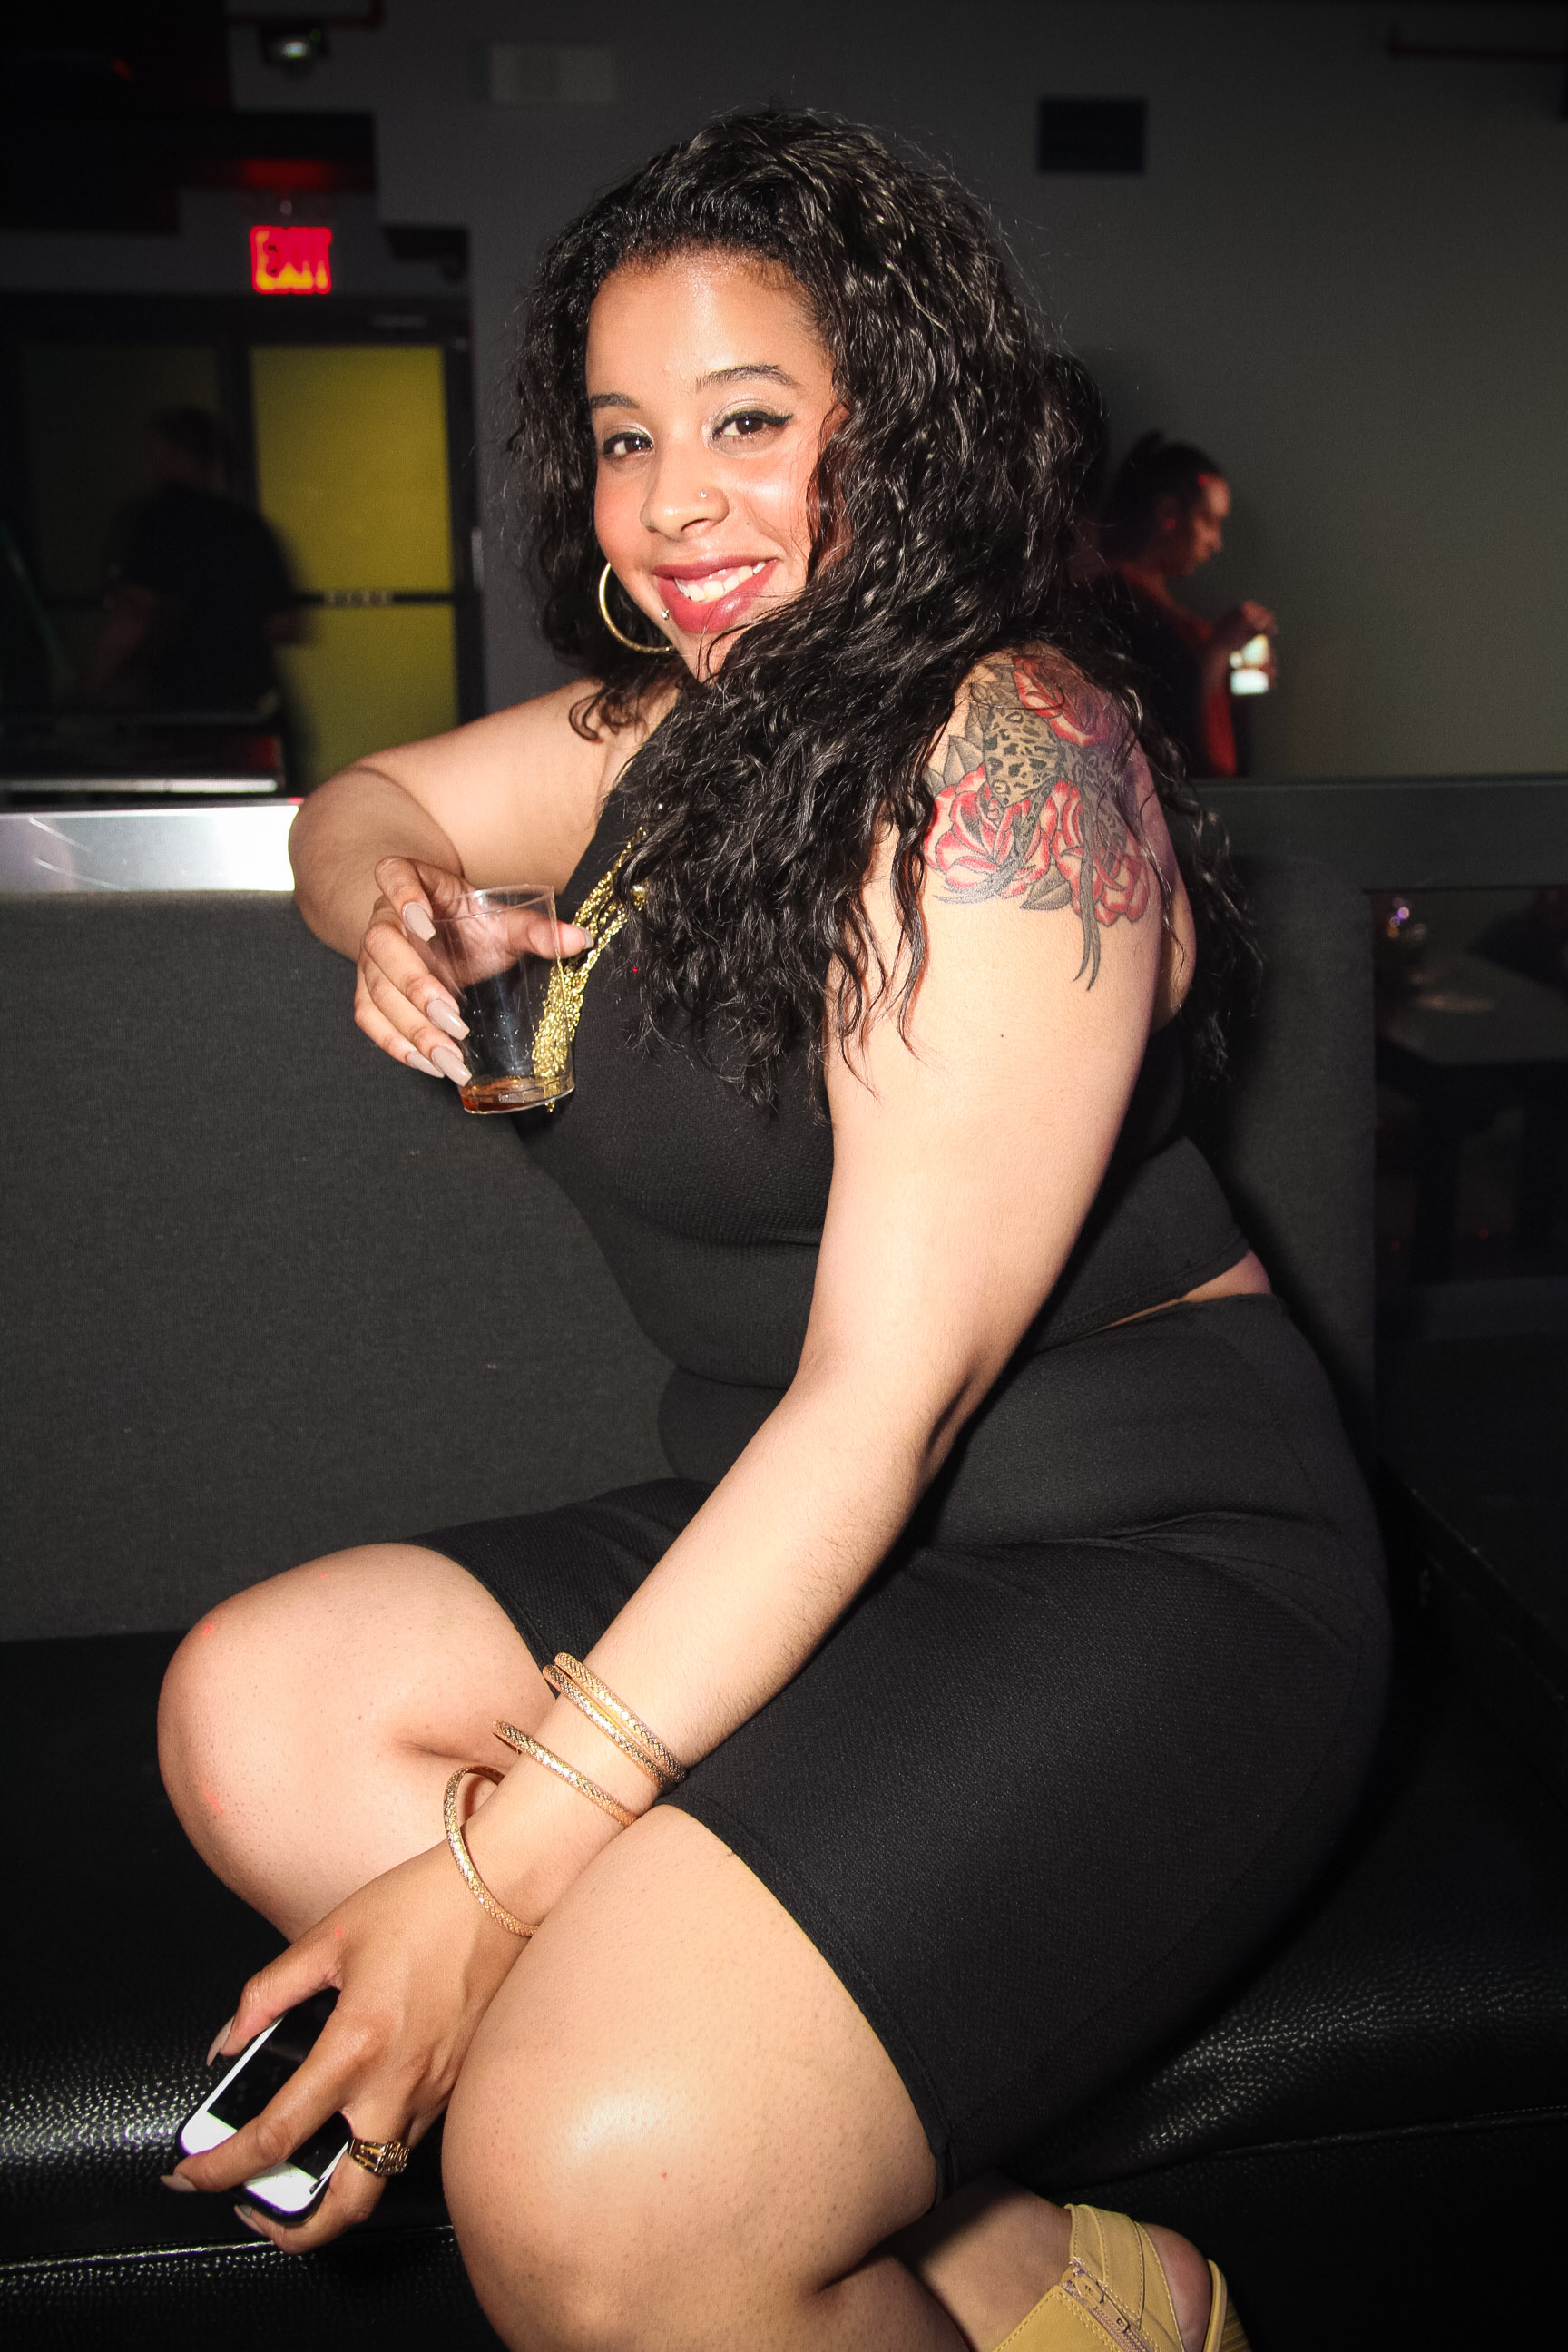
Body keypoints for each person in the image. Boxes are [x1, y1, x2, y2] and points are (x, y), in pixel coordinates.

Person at [155, 113, 1387, 2352]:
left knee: (589, 2180)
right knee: (265, 1712)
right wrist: (392, 904)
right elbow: (365, 803)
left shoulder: (1008, 759)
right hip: (799, 1522)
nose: (669, 503)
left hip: (1123, 1558)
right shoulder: (685, 726)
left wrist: (486, 1890)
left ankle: (732, 2199)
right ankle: (1020, 2272)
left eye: (746, 421)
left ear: (900, 425)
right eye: (627, 436)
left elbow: (881, 1402)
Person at [83, 406, 299, 716]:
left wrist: (91, 686)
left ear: (167, 453)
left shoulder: (153, 523)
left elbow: (135, 615)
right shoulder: (247, 526)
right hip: (248, 701)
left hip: (176, 704)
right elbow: (284, 625)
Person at [1093, 433, 1275, 779]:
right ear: (1169, 513)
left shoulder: (1165, 613)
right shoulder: (1112, 607)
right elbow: (1164, 725)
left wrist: (1235, 682)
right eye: (1209, 521)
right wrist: (1218, 649)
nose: (1216, 543)